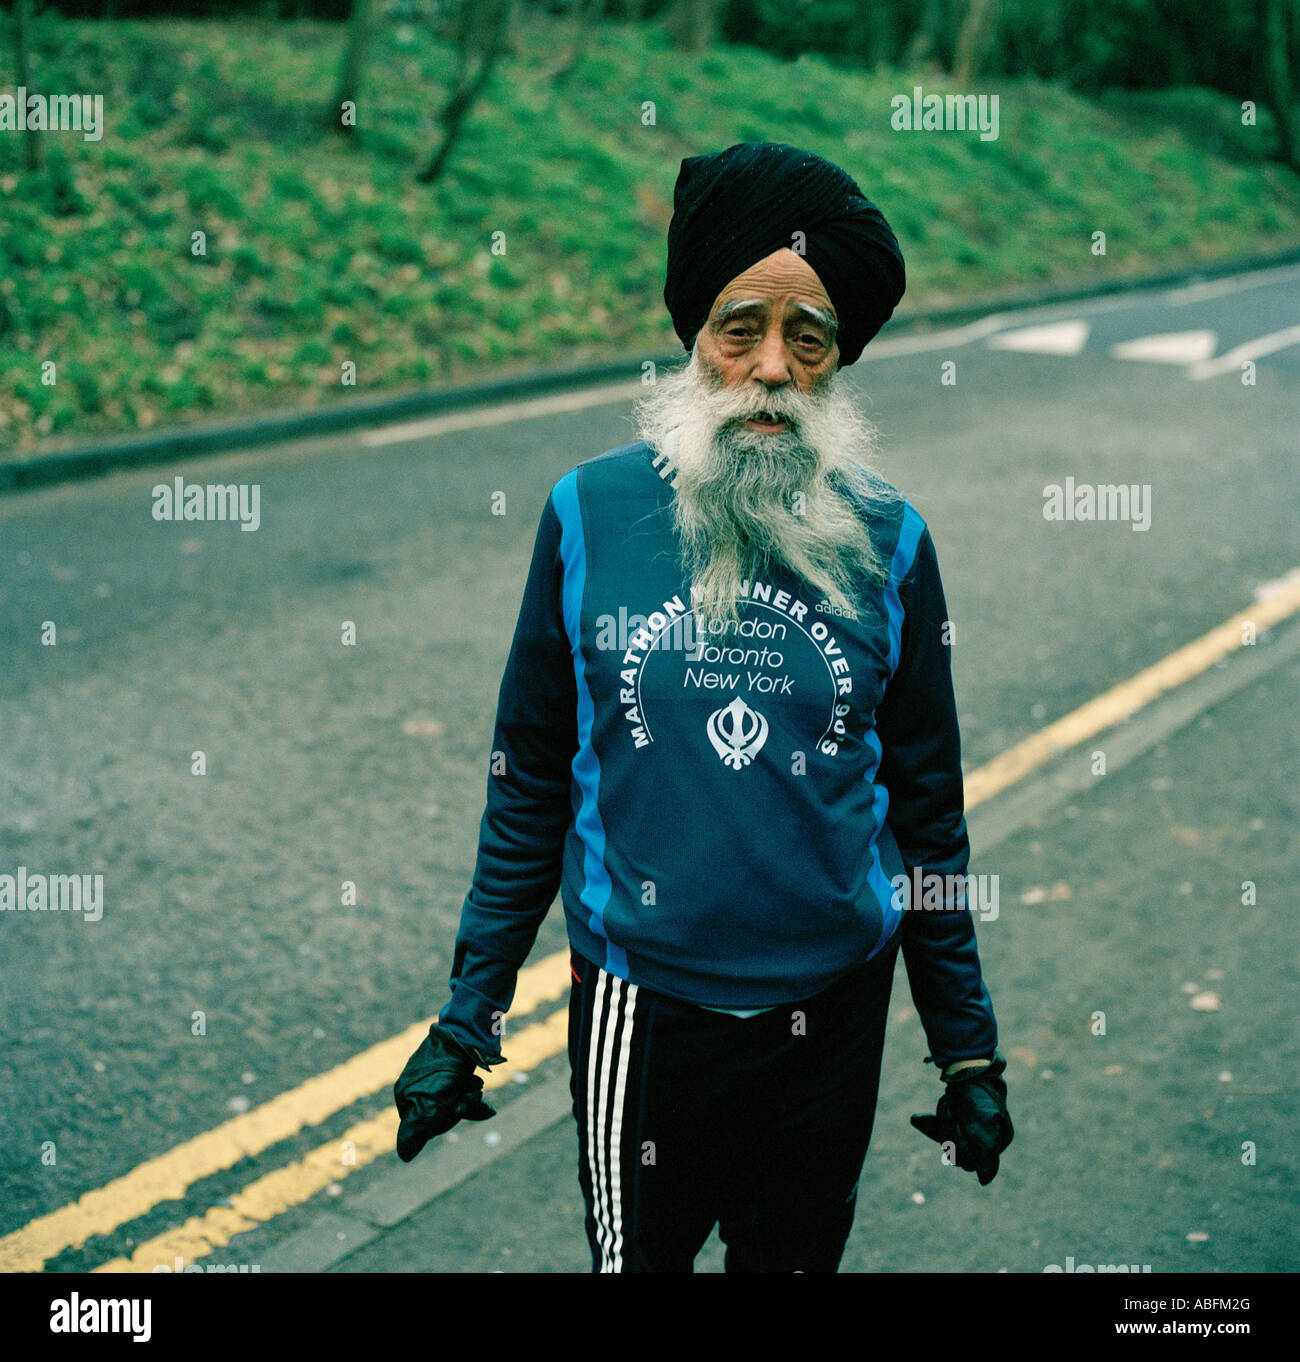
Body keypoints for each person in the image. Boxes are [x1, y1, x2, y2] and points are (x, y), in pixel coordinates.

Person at [393, 141, 1013, 1273]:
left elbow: (927, 809)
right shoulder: (587, 513)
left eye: (808, 338)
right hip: (646, 1010)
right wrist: (467, 1015)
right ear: (695, 339)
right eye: (741, 328)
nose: (770, 367)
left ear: (836, 362)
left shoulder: (893, 540)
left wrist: (966, 1052)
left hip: (832, 1017)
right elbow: (528, 775)